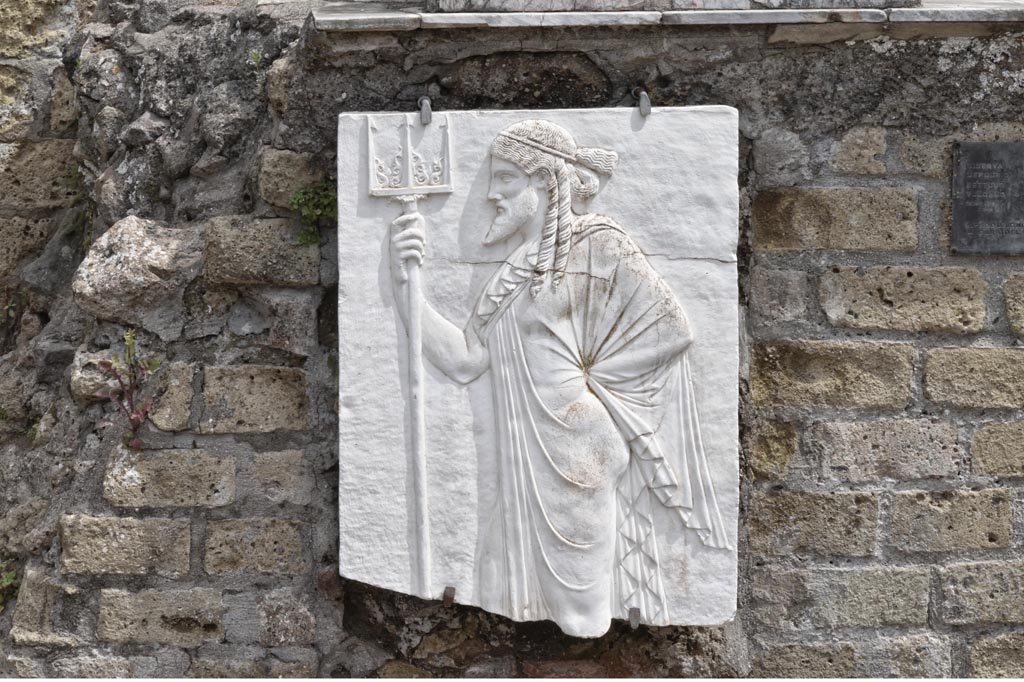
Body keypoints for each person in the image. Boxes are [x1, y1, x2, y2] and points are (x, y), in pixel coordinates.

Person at [389, 119, 728, 638]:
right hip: (521, 459)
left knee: (582, 619)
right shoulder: (512, 270)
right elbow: (463, 360)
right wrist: (405, 288)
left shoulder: (597, 244)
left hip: (575, 456)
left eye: (504, 178)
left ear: (545, 182)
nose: (490, 194)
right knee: (496, 583)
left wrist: (593, 384)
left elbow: (672, 330)